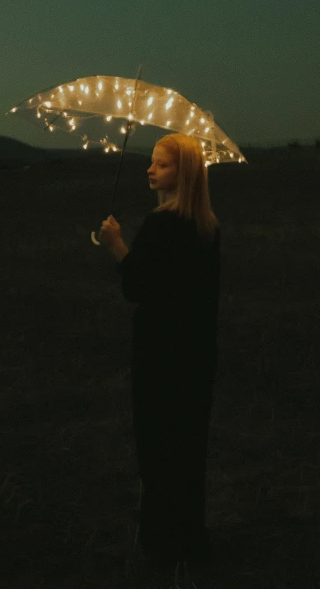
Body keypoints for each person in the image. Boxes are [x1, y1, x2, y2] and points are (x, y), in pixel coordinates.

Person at [98, 133, 221, 579]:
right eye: (151, 163)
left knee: (157, 447)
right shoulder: (207, 225)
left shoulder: (163, 224)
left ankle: (161, 545)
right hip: (197, 355)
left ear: (182, 174)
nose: (150, 170)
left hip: (161, 355)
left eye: (162, 165)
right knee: (188, 447)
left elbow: (138, 287)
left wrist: (115, 244)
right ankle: (190, 538)